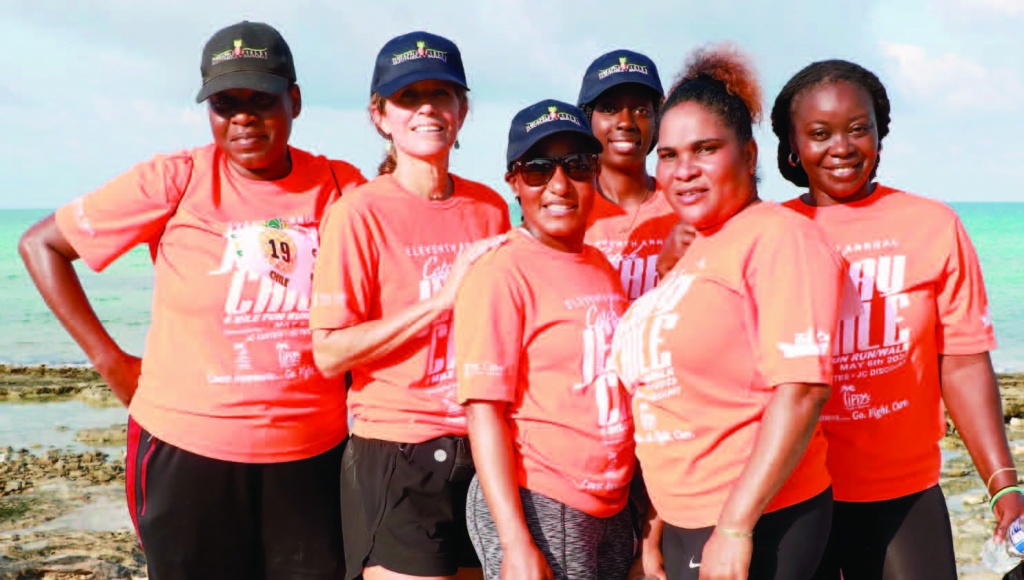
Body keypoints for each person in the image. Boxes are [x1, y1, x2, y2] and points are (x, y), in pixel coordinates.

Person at [18, 21, 365, 580]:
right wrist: (113, 363)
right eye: (227, 103)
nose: (244, 118)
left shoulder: (340, 185)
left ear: (294, 101)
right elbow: (42, 246)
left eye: (262, 100)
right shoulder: (174, 180)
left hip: (314, 457)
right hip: (186, 454)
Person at [771, 59, 1024, 579]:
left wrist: (1004, 485)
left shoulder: (932, 225)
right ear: (793, 147)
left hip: (903, 494)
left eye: (858, 129)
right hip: (795, 497)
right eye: (819, 134)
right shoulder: (768, 232)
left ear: (880, 135)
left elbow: (962, 362)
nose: (841, 147)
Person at [608, 45, 849, 580]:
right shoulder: (696, 249)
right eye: (667, 155)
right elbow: (667, 398)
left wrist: (737, 526)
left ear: (749, 153)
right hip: (687, 519)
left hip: (758, 516)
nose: (683, 171)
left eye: (705, 149)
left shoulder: (779, 236)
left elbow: (803, 389)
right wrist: (655, 524)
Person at [309, 31, 510, 580]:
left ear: (462, 110)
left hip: (484, 449)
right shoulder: (359, 213)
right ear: (380, 115)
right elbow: (329, 353)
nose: (427, 108)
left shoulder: (489, 206)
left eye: (441, 94)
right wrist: (440, 302)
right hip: (397, 452)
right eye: (407, 97)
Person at [457, 99, 635, 580]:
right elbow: (483, 410)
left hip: (611, 505)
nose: (560, 184)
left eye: (576, 166)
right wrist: (515, 540)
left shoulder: (599, 266)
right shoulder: (500, 272)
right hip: (542, 499)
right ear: (513, 181)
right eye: (538, 169)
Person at [576, 50, 689, 302]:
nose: (626, 122)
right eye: (609, 109)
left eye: (640, 109)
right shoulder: (566, 211)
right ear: (586, 118)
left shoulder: (685, 207)